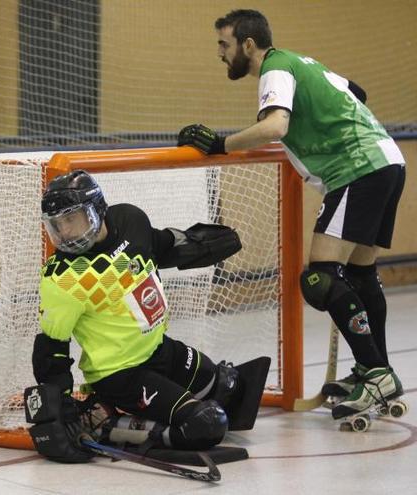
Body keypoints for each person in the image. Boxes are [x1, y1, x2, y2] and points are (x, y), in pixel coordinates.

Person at [176, 9, 406, 421]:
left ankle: (375, 372)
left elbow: (275, 126)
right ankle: (375, 371)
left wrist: (219, 144)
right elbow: (358, 92)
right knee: (359, 274)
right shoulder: (302, 63)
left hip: (357, 168)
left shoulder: (275, 69)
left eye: (224, 44)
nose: (220, 54)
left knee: (320, 278)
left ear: (249, 44)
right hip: (387, 160)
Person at [24, 169, 268, 464]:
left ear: (97, 209)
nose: (64, 234)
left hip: (159, 350)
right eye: (56, 225)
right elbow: (51, 347)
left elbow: (159, 245)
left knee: (230, 387)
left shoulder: (130, 220)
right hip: (120, 375)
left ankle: (114, 413)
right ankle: (103, 423)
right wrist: (60, 405)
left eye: (71, 220)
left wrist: (199, 245)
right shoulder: (63, 278)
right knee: (206, 424)